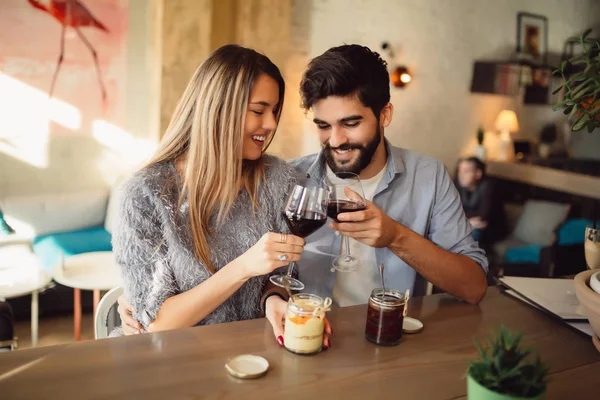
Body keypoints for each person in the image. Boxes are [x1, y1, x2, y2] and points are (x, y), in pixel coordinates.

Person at [119, 44, 488, 347]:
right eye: (323, 126)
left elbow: (473, 286)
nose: (337, 140)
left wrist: (396, 236)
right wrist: (133, 301)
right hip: (301, 347)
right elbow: (266, 275)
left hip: (391, 343)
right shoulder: (291, 181)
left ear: (385, 114)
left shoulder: (428, 177)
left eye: (352, 123)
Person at [112, 44, 331, 348]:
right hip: (170, 362)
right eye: (258, 110)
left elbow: (277, 278)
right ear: (218, 108)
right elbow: (157, 325)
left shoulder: (277, 180)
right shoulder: (145, 195)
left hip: (251, 356)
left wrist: (273, 300)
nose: (270, 125)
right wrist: (243, 267)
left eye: (274, 112)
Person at [455, 157, 506, 246]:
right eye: (460, 171)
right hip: (469, 224)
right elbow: (451, 212)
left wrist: (462, 220)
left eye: (466, 171)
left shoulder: (488, 187)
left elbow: (483, 215)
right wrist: (466, 222)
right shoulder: (457, 186)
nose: (461, 175)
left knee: (468, 237)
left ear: (478, 174)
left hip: (490, 229)